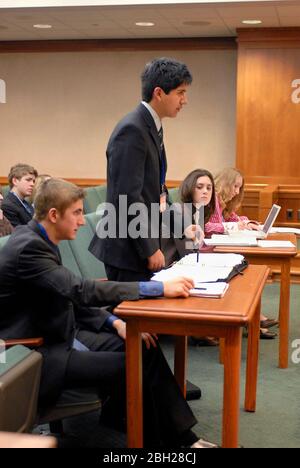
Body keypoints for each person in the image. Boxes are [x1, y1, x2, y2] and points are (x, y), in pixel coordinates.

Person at [0, 178, 218, 449]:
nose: (82, 221)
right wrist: (156, 287)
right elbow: (79, 290)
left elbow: (66, 295)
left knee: (142, 344)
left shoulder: (40, 238)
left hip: (61, 333)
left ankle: (182, 437)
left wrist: (114, 322)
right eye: (77, 213)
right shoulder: (29, 248)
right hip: (37, 354)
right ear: (54, 215)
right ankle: (160, 442)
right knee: (132, 365)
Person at [89, 57, 193, 282]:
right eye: (180, 92)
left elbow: (158, 191)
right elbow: (125, 197)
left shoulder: (152, 126)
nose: (184, 100)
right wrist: (148, 247)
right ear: (159, 92)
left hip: (140, 240)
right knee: (134, 316)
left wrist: (184, 228)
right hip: (128, 249)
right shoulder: (132, 129)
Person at [206, 168, 278, 339]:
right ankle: (251, 320)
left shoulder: (223, 202)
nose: (237, 191)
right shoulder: (212, 199)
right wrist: (233, 226)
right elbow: (207, 227)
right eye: (235, 186)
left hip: (218, 248)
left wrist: (248, 223)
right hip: (208, 250)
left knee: (245, 269)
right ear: (225, 184)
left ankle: (252, 319)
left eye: (239, 188)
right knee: (242, 271)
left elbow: (234, 218)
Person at [162, 169, 218, 347]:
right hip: (168, 267)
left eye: (209, 188)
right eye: (200, 187)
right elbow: (188, 252)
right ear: (189, 189)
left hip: (182, 262)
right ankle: (197, 328)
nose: (205, 191)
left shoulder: (197, 211)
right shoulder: (180, 210)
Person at [1, 163, 38, 227]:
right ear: (15, 181)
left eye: (33, 181)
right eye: (28, 180)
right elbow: (19, 234)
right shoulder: (7, 206)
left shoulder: (26, 203)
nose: (32, 184)